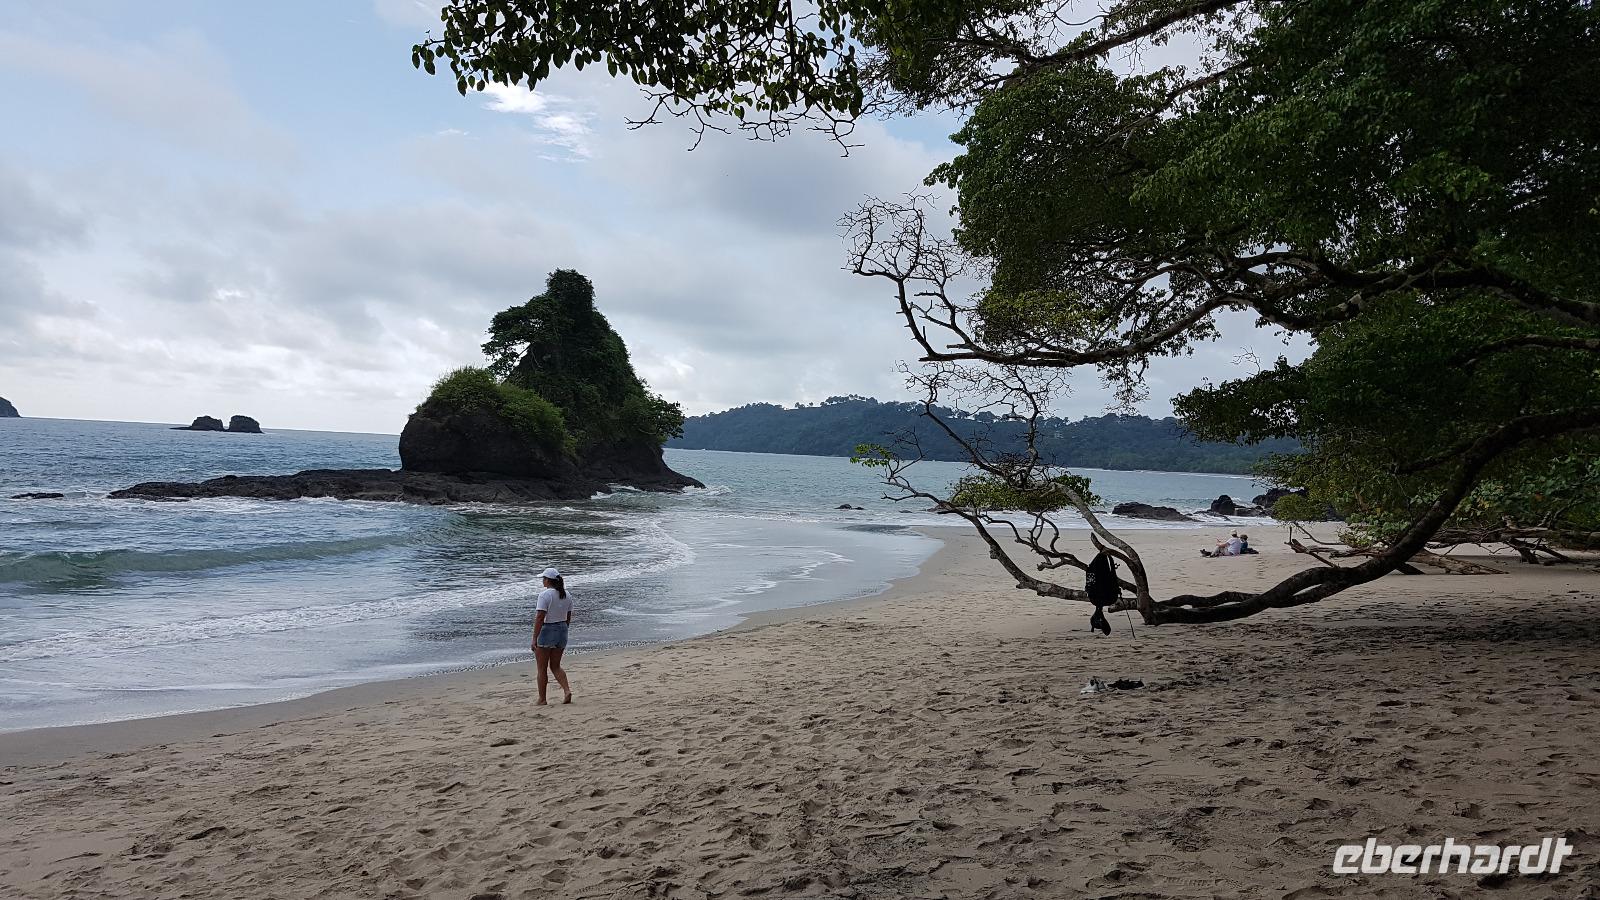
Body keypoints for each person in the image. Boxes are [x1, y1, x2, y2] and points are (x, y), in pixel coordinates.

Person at [531, 566, 573, 705]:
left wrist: (534, 638)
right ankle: (566, 690)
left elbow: (540, 617)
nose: (543, 581)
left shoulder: (545, 595)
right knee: (555, 666)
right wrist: (564, 629)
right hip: (562, 629)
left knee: (542, 668)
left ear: (548, 580)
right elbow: (568, 616)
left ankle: (542, 699)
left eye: (544, 578)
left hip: (548, 629)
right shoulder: (567, 594)